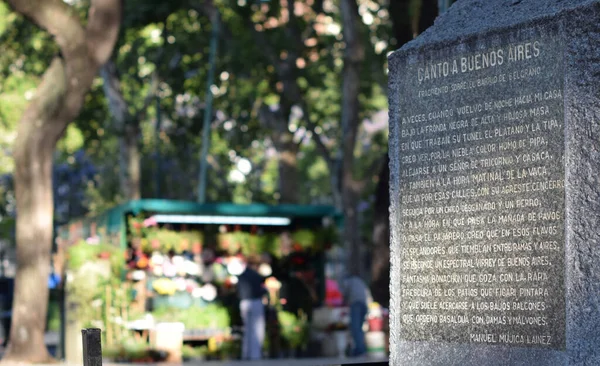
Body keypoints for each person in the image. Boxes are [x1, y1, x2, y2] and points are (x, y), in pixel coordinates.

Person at [236, 256, 267, 360]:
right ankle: (255, 355)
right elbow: (260, 290)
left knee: (247, 329)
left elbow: (238, 292)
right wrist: (265, 290)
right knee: (257, 329)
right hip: (255, 301)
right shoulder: (256, 276)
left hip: (244, 303)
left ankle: (246, 354)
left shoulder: (241, 276)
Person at [340, 273, 371, 357]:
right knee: (359, 328)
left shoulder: (348, 281)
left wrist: (344, 301)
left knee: (355, 328)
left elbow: (344, 292)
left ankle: (360, 350)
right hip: (364, 305)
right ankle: (360, 348)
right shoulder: (360, 281)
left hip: (356, 304)